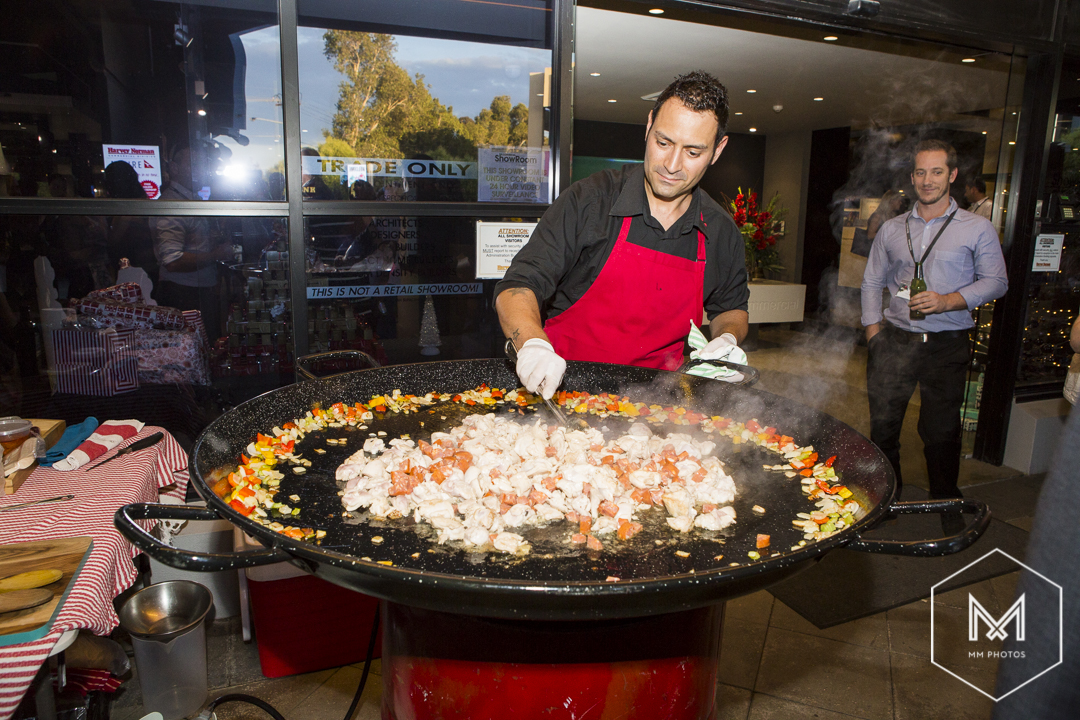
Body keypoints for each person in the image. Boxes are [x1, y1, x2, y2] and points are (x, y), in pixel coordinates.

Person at [494, 70, 749, 397]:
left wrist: (726, 339)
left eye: (693, 152)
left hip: (659, 405)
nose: (671, 164)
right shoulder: (589, 201)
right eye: (663, 142)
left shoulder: (721, 232)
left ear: (717, 150)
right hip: (561, 393)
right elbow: (517, 287)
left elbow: (732, 308)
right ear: (648, 126)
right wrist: (531, 344)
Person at [860, 139, 1007, 508]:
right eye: (921, 172)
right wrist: (873, 332)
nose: (928, 180)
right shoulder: (892, 229)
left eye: (937, 172)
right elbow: (872, 281)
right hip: (893, 341)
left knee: (941, 432)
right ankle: (887, 499)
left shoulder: (977, 228)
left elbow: (997, 282)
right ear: (912, 177)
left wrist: (948, 301)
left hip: (946, 344)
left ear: (952, 175)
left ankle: (945, 500)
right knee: (883, 427)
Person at [152, 143, 232, 338]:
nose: (201, 170)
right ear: (174, 168)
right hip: (184, 294)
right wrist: (215, 255)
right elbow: (172, 261)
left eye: (202, 165)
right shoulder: (173, 205)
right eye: (194, 164)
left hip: (196, 290)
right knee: (195, 350)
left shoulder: (189, 200)